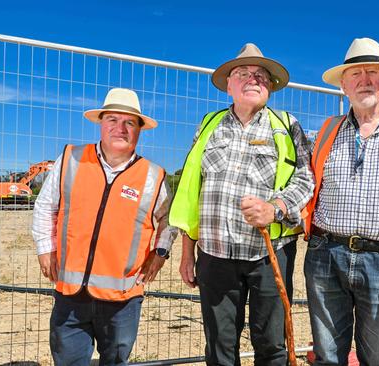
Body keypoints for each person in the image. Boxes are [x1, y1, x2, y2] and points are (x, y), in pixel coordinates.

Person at [169, 43, 314, 365]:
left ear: (271, 87)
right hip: (214, 253)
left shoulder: (286, 126)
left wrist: (274, 208)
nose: (253, 79)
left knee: (271, 344)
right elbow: (193, 189)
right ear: (229, 84)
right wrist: (187, 254)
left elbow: (306, 179)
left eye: (261, 75)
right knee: (220, 346)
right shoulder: (209, 125)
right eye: (243, 73)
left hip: (270, 252)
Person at [303, 37, 379, 366]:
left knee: (378, 356)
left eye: (373, 71)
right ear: (344, 85)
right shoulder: (326, 132)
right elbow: (305, 185)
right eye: (355, 73)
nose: (365, 79)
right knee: (328, 356)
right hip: (325, 256)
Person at [32, 87, 177, 365]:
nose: (120, 128)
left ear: (139, 130)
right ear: (101, 123)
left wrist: (160, 253)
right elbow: (44, 207)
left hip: (123, 299)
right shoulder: (71, 159)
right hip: (70, 295)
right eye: (112, 120)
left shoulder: (153, 176)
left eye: (129, 122)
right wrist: (44, 248)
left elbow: (169, 220)